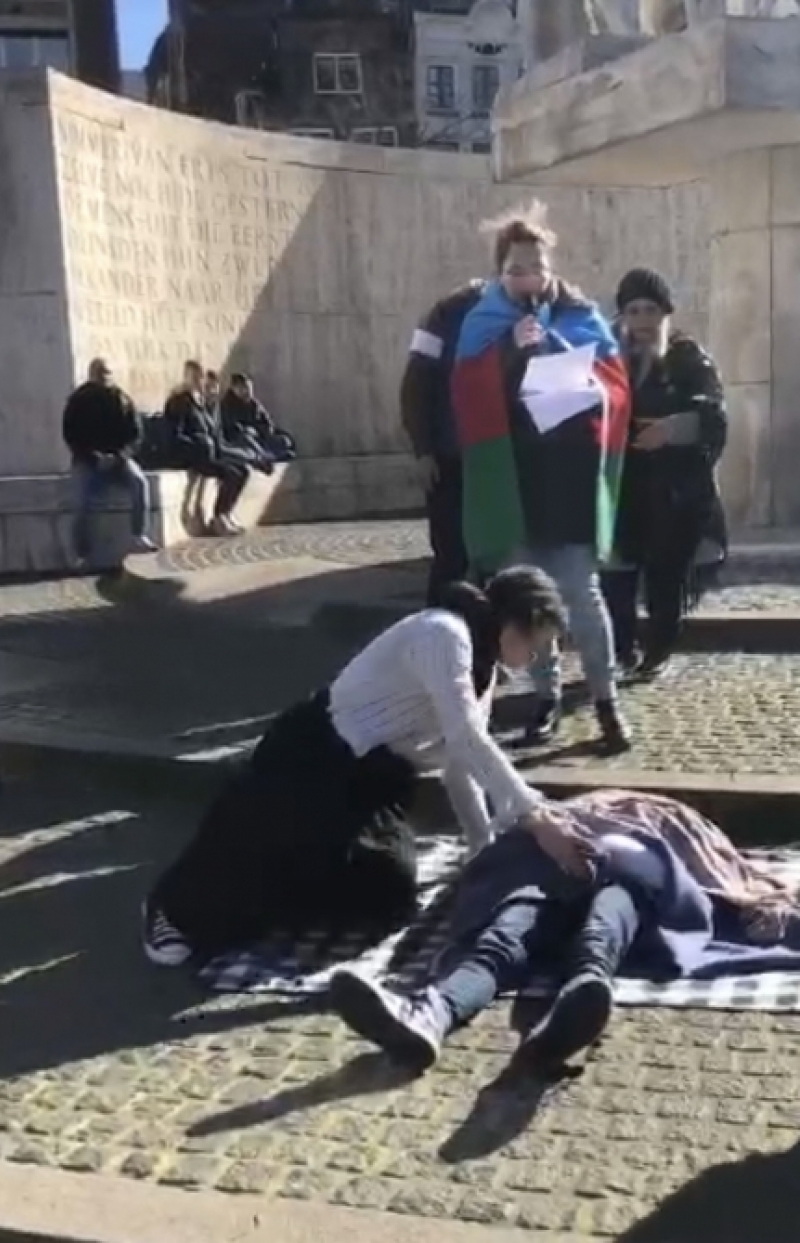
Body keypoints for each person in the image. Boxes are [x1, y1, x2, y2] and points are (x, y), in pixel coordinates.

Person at [141, 567, 595, 967]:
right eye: (534, 645)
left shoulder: (483, 666)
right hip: (313, 758)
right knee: (260, 851)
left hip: (375, 779)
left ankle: (292, 887)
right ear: (513, 624)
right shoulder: (443, 634)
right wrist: (535, 817)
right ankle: (172, 911)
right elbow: (467, 738)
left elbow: (461, 762)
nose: (532, 660)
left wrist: (481, 849)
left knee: (388, 892)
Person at [328, 788, 800, 1072]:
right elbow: (518, 834)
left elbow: (721, 874)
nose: (622, 806)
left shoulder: (673, 822)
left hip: (624, 887)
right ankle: (431, 1015)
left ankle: (568, 1013)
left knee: (601, 924)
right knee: (507, 932)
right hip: (549, 876)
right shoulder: (563, 816)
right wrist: (556, 840)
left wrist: (769, 907)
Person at [450, 202, 632, 753]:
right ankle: (545, 698)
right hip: (514, 483)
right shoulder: (482, 323)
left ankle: (606, 701)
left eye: (536, 267)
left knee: (581, 594)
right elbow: (465, 395)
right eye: (516, 270)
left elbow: (616, 386)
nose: (528, 278)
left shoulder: (581, 315)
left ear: (551, 269)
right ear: (500, 273)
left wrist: (578, 373)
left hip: (569, 479)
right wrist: (510, 351)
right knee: (530, 600)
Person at [601, 269, 728, 676]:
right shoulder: (608, 360)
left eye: (650, 310)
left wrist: (672, 430)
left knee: (665, 577)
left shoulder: (688, 358)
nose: (642, 321)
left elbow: (713, 415)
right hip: (623, 486)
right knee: (615, 576)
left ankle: (657, 650)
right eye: (634, 311)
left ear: (665, 314)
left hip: (673, 490)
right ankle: (621, 651)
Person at [400, 280, 485, 606]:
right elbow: (415, 384)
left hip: (493, 458)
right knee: (451, 554)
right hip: (451, 458)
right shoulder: (445, 314)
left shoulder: (526, 311)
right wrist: (423, 449)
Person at [61, 358, 157, 565]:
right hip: (88, 461)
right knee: (80, 499)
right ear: (91, 375)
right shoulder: (78, 401)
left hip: (118, 459)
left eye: (106, 373)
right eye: (99, 373)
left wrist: (120, 456)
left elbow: (136, 435)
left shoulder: (122, 399)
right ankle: (81, 553)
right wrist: (94, 457)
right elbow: (71, 434)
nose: (103, 377)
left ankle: (138, 535)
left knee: (139, 482)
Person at [164, 360, 250, 536]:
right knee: (231, 474)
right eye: (194, 377)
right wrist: (197, 444)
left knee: (243, 470)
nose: (198, 381)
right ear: (186, 377)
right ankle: (218, 518)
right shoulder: (179, 402)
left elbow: (211, 430)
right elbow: (175, 434)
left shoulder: (200, 402)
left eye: (200, 377)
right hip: (191, 455)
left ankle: (225, 513)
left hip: (207, 453)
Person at [220, 372, 297, 464]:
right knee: (246, 439)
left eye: (249, 388)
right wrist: (249, 430)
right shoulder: (227, 405)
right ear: (234, 389)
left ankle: (270, 455)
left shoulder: (254, 404)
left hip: (259, 437)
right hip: (240, 440)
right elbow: (232, 428)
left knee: (285, 440)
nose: (247, 391)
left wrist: (263, 430)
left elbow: (267, 422)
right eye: (244, 388)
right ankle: (265, 456)